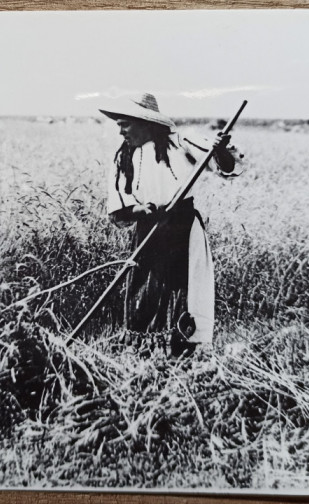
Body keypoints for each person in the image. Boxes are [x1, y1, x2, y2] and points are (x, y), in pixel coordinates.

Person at [99, 92, 238, 358]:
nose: (121, 132)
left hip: (183, 228)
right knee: (145, 289)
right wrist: (140, 209)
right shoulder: (123, 158)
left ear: (143, 122)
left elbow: (225, 167)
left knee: (185, 289)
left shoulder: (182, 143)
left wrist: (219, 150)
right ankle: (145, 353)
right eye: (119, 126)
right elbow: (118, 207)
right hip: (149, 231)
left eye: (125, 125)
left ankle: (184, 352)